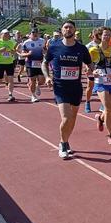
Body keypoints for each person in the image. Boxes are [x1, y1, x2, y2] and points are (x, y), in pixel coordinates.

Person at [42, 20, 92, 159]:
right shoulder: (54, 47)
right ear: (62, 30)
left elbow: (89, 63)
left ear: (74, 30)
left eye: (70, 27)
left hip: (76, 87)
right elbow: (44, 63)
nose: (68, 29)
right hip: (60, 87)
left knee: (73, 118)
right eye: (65, 27)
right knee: (66, 117)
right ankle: (62, 143)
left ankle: (66, 140)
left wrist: (90, 70)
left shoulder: (81, 48)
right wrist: (47, 77)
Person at [0, 29, 17, 102]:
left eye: (8, 34)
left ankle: (10, 95)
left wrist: (11, 51)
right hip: (0, 63)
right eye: (5, 34)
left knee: (11, 79)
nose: (7, 35)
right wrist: (0, 50)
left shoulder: (11, 42)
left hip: (10, 63)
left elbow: (14, 51)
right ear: (1, 34)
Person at [19, 29, 46, 103]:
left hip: (40, 63)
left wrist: (45, 53)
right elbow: (22, 54)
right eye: (33, 33)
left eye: (36, 32)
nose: (35, 34)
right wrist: (27, 54)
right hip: (30, 63)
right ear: (30, 34)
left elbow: (45, 50)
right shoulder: (26, 42)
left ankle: (38, 86)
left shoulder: (42, 41)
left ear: (38, 33)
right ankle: (33, 96)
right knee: (32, 80)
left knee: (42, 80)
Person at [84, 28, 103, 113]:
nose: (99, 37)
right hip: (92, 68)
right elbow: (85, 59)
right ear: (93, 36)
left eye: (100, 35)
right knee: (90, 86)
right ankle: (87, 102)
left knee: (104, 87)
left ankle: (103, 103)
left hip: (102, 69)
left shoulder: (105, 45)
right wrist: (88, 68)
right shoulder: (88, 46)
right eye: (97, 35)